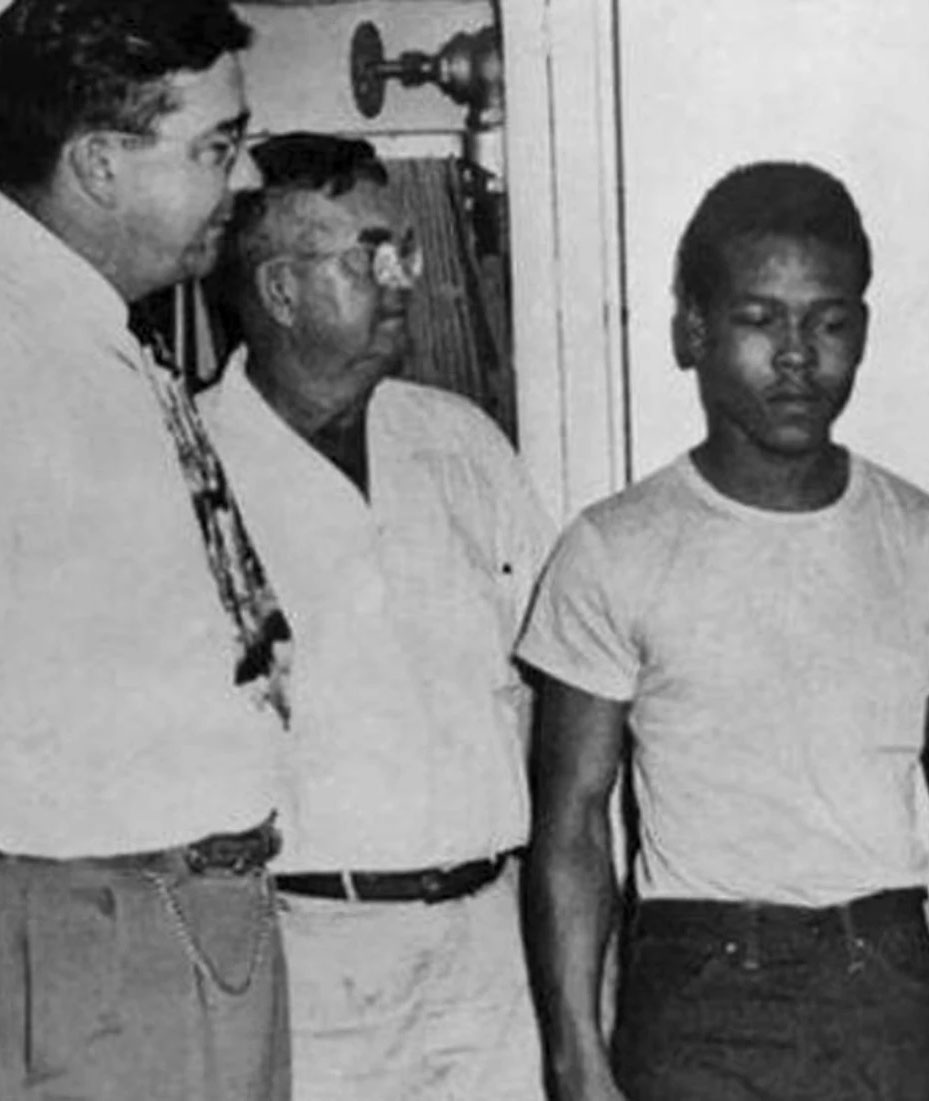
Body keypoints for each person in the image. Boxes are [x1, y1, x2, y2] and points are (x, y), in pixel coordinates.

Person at [519, 161, 929, 1101]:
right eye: (760, 319)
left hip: (884, 982)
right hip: (699, 988)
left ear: (860, 334)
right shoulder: (612, 547)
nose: (798, 355)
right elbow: (575, 820)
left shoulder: (924, 539)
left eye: (828, 323)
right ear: (694, 329)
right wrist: (577, 1053)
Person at [201, 132, 556, 1101]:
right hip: (309, 955)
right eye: (371, 254)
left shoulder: (460, 444)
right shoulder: (191, 467)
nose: (404, 276)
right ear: (278, 290)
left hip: (491, 946)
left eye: (407, 247)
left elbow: (546, 695)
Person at [0, 2, 288, 1099]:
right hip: (98, 925)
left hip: (179, 907)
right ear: (101, 165)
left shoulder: (93, 333)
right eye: (216, 147)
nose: (241, 178)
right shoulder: (20, 353)